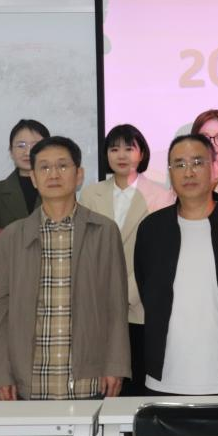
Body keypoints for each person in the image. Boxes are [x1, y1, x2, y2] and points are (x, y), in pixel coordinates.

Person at [0, 136, 130, 400]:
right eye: (44, 167)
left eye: (63, 166)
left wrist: (116, 365)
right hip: (30, 381)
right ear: (33, 178)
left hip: (90, 380)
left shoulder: (104, 231)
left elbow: (116, 304)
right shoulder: (11, 237)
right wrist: (1, 372)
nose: (53, 174)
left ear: (79, 175)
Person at [134, 134, 218, 395]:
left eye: (197, 162)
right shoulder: (152, 229)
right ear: (170, 173)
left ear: (214, 169)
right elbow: (147, 290)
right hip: (164, 379)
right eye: (179, 164)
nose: (188, 172)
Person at [79, 124, 174, 395]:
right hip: (99, 303)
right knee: (102, 386)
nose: (121, 155)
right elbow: (85, 248)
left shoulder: (161, 196)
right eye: (114, 148)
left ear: (141, 153)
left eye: (129, 148)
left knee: (136, 383)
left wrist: (125, 292)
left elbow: (159, 255)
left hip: (140, 304)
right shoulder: (90, 194)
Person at [0, 119, 49, 228]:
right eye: (21, 145)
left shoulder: (60, 186)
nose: (28, 152)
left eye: (36, 145)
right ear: (11, 151)